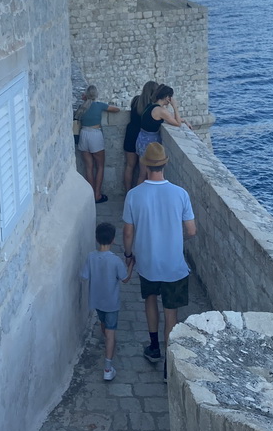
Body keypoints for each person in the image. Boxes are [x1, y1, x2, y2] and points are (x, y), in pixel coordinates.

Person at [123, 142, 195, 378]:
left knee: (150, 300)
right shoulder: (180, 194)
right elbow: (191, 231)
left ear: (145, 164)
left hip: (148, 263)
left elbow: (128, 233)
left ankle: (153, 348)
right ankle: (168, 368)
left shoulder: (134, 195)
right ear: (165, 163)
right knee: (171, 314)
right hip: (174, 265)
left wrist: (128, 255)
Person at [80, 222, 131, 381]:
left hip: (97, 301)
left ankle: (107, 341)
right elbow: (125, 279)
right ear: (113, 240)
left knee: (103, 324)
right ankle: (108, 368)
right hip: (111, 303)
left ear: (96, 238)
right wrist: (131, 265)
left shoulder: (91, 257)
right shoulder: (115, 261)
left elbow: (84, 276)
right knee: (111, 332)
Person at [135, 85, 189, 184]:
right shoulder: (161, 110)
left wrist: (184, 120)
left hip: (141, 139)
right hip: (150, 143)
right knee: (147, 176)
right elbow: (177, 123)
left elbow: (170, 118)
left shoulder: (150, 106)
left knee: (142, 174)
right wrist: (175, 107)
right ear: (167, 97)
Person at [75, 85, 120, 203]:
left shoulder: (82, 107)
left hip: (83, 134)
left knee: (88, 167)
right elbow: (116, 110)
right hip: (95, 134)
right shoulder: (99, 105)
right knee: (100, 166)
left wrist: (85, 99)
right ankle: (97, 195)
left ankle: (90, 195)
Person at [123, 80, 157, 193]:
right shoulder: (151, 107)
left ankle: (128, 193)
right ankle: (139, 195)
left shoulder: (135, 100)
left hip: (130, 133)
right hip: (142, 137)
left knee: (129, 166)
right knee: (143, 173)